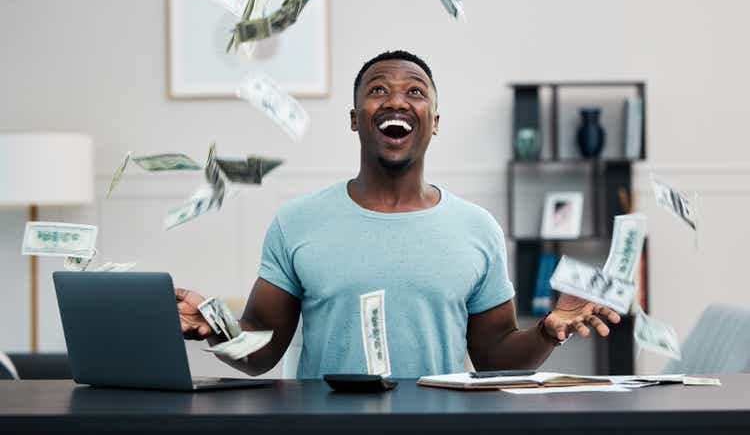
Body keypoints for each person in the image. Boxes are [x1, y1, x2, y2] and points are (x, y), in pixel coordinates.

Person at [176, 50, 620, 378]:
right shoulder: (297, 221)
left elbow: (494, 357)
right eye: (377, 90)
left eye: (414, 91)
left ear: (434, 120)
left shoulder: (476, 228)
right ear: (355, 119)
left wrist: (547, 331)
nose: (396, 101)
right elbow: (260, 351)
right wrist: (215, 327)